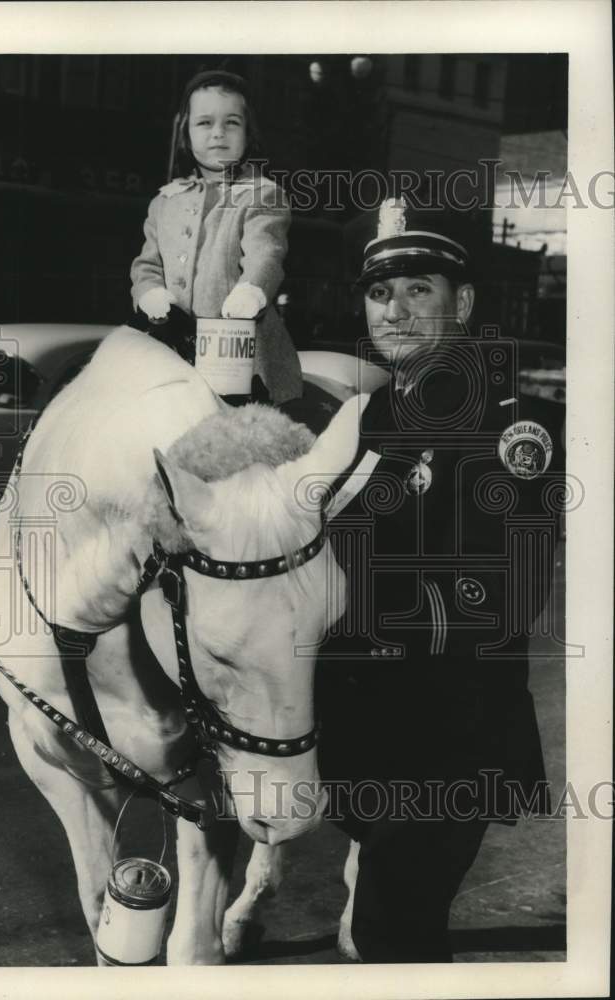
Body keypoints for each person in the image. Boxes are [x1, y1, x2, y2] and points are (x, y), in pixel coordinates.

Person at [316, 198, 565, 963]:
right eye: (379, 293)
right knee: (377, 929)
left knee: (393, 935)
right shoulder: (369, 414)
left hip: (449, 734)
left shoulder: (516, 420)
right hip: (360, 727)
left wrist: (352, 604)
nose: (394, 310)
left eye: (418, 290)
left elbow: (505, 595)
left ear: (463, 302)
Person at [130, 69, 302, 405]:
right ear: (186, 132)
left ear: (248, 132)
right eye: (205, 123)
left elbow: (265, 251)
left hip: (244, 364)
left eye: (232, 123)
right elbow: (147, 263)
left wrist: (252, 288)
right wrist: (149, 291)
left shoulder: (261, 194)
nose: (218, 134)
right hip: (173, 359)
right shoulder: (166, 200)